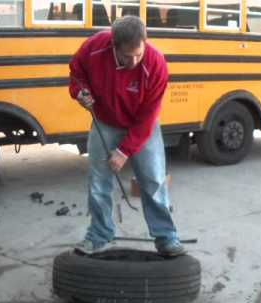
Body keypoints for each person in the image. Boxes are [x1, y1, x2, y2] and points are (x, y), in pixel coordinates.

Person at [69, 16, 186, 257]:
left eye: (138, 54)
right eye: (126, 56)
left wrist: (124, 151)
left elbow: (148, 116)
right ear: (113, 45)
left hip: (142, 125)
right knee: (98, 182)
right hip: (105, 121)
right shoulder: (94, 47)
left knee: (153, 180)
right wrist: (80, 92)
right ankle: (99, 234)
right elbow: (76, 71)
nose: (133, 61)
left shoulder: (155, 63)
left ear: (145, 43)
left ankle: (166, 237)